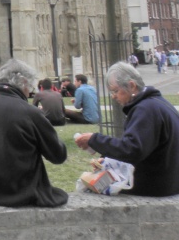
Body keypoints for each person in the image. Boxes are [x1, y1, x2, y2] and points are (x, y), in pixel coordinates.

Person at [0, 58, 68, 208]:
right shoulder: (29, 112)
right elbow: (58, 155)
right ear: (23, 82)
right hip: (18, 193)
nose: (30, 92)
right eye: (30, 87)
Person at [74, 62, 179, 197]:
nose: (113, 96)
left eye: (115, 91)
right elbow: (143, 147)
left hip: (156, 188)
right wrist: (109, 160)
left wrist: (94, 139)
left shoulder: (146, 109)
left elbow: (132, 149)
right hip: (169, 184)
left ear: (132, 86)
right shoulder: (156, 103)